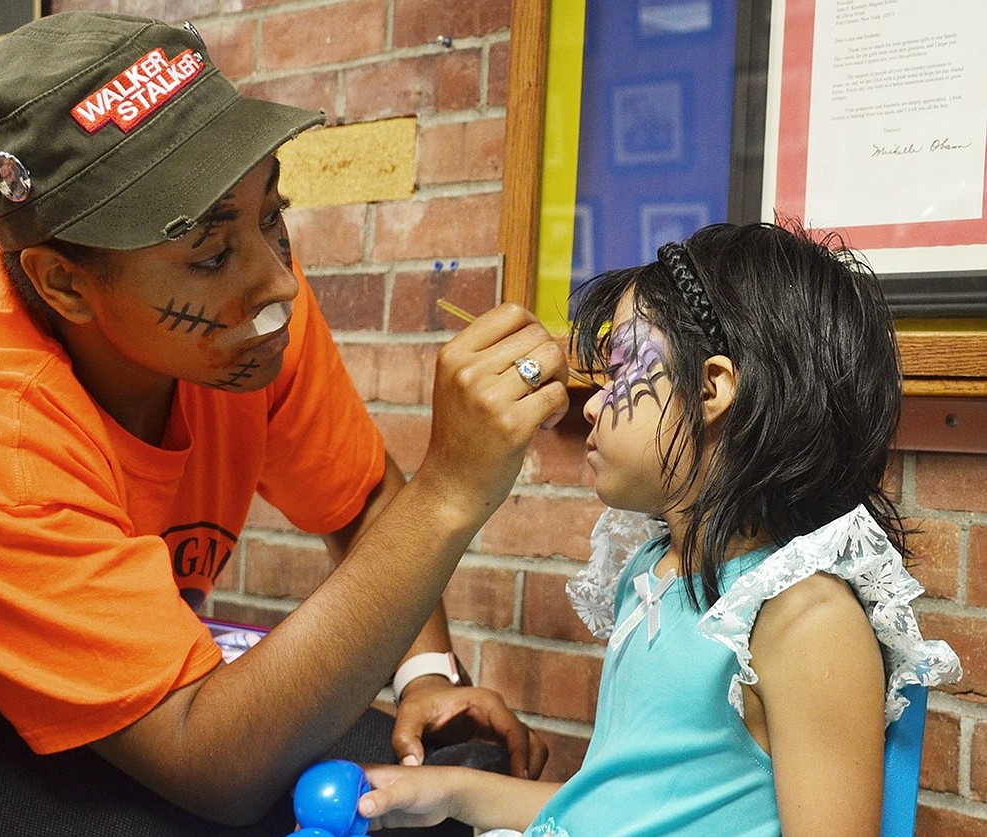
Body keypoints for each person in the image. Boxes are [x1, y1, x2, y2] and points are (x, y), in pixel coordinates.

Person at [0, 12, 570, 835]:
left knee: (450, 780)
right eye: (208, 255)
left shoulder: (243, 324)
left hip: (143, 683)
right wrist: (453, 489)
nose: (276, 283)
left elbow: (362, 501)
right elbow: (216, 769)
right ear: (63, 283)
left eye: (270, 214)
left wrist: (426, 677)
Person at [355, 222, 963, 836]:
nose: (591, 403)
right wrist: (449, 789)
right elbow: (612, 812)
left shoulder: (804, 620)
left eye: (621, 367)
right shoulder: (652, 574)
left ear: (711, 388)